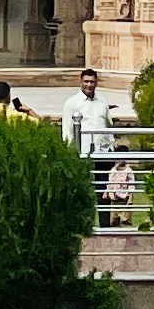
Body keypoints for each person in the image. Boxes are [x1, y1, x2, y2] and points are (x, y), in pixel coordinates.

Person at [63, 65, 121, 222]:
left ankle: (104, 225)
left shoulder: (102, 101)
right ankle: (86, 225)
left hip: (103, 153)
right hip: (84, 154)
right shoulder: (72, 103)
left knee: (103, 192)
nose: (89, 85)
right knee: (85, 191)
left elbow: (107, 124)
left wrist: (111, 148)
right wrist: (71, 153)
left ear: (96, 82)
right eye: (86, 81)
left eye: (92, 82)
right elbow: (67, 131)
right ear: (80, 82)